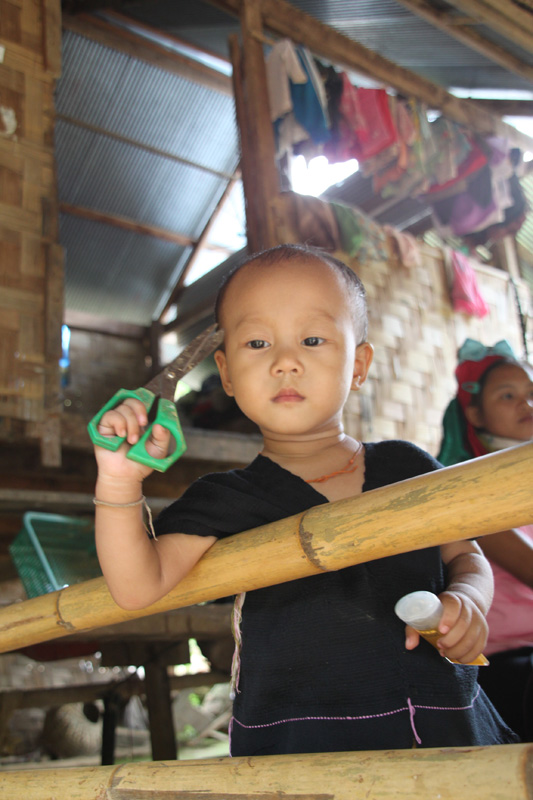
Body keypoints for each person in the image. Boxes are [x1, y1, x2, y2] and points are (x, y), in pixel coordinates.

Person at [93, 244, 518, 755]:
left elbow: (466, 555)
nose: (285, 362)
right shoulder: (224, 500)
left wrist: (469, 599)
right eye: (257, 343)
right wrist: (118, 481)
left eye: (312, 340)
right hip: (302, 747)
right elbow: (135, 587)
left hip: (447, 728)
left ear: (358, 364)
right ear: (226, 373)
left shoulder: (407, 468)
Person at [438, 338, 533, 740]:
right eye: (507, 395)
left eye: (531, 392)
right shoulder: (476, 489)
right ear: (474, 413)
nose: (526, 404)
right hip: (508, 664)